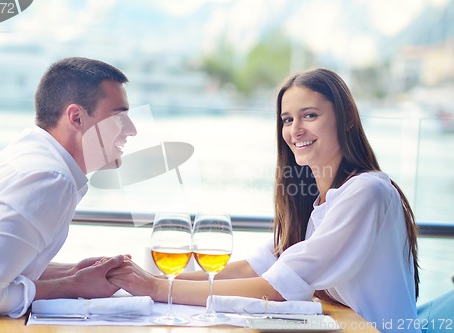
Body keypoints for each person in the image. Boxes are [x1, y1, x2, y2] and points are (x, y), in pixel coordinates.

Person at [108, 68, 420, 333]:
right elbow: (252, 269)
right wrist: (152, 279)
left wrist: (158, 289)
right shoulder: (320, 202)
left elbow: (275, 287)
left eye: (309, 115)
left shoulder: (367, 192)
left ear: (347, 117)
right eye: (287, 120)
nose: (295, 130)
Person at [0, 57, 137, 333]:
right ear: (76, 117)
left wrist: (72, 271)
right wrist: (72, 285)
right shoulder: (50, 179)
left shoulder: (32, 157)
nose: (131, 129)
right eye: (119, 116)